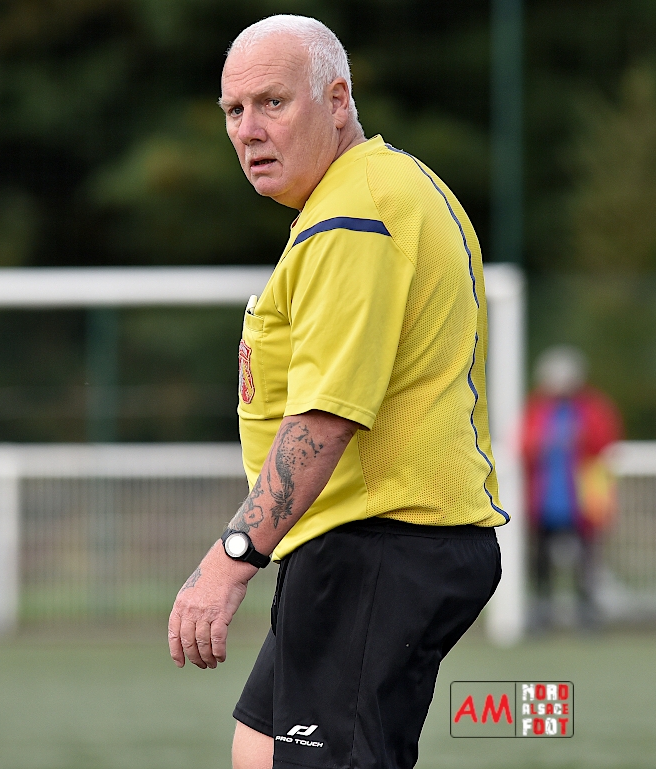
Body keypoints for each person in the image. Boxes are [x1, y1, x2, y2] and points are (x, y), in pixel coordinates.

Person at [167, 15, 506, 769]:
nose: (249, 130)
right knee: (261, 752)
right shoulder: (375, 189)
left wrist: (230, 560)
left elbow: (324, 418)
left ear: (338, 99)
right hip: (370, 544)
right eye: (234, 110)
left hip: (383, 542)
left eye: (273, 102)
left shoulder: (354, 213)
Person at [521, 346, 621, 630]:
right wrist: (542, 443)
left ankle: (587, 611)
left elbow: (605, 444)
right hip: (545, 497)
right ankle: (541, 611)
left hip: (582, 497)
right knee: (540, 559)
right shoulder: (537, 409)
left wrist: (582, 438)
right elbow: (524, 446)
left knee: (586, 559)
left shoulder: (593, 408)